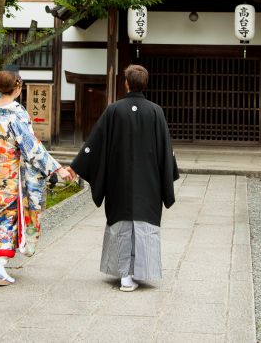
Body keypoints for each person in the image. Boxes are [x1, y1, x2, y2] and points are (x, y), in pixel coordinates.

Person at [0, 70, 74, 286]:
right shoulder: (15, 115)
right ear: (18, 88)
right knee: (6, 218)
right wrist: (56, 169)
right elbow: (32, 147)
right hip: (8, 178)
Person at [70, 64, 179, 292]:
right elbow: (165, 148)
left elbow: (96, 143)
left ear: (127, 83)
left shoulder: (114, 110)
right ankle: (140, 271)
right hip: (149, 181)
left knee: (121, 221)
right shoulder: (155, 111)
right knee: (143, 221)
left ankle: (124, 274)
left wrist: (78, 166)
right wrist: (167, 175)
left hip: (119, 178)